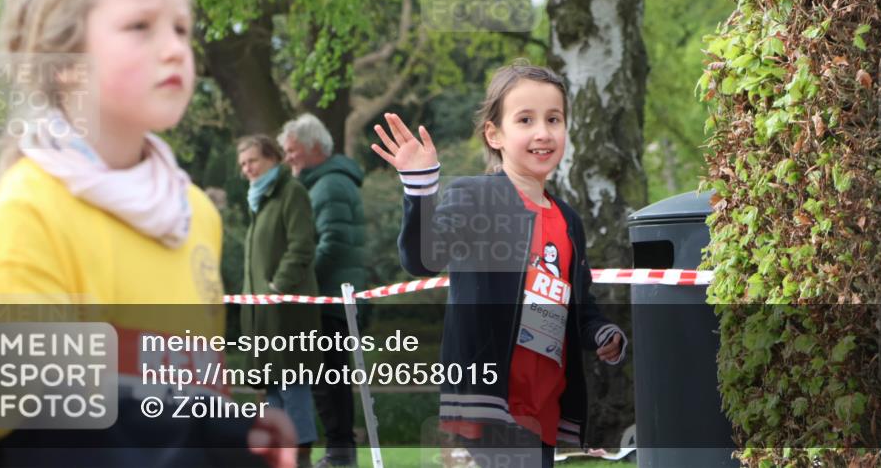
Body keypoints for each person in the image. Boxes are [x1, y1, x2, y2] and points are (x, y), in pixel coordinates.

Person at [0, 0, 295, 468]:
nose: (173, 49)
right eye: (140, 27)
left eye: (182, 29)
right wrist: (218, 445)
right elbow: (47, 438)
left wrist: (240, 430)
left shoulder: (195, 212)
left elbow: (195, 393)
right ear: (63, 62)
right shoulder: (28, 213)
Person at [371, 62, 627, 468]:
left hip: (546, 407)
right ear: (495, 134)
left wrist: (601, 334)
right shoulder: (476, 197)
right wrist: (420, 187)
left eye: (554, 119)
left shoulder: (569, 220)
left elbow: (579, 308)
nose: (542, 132)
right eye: (525, 119)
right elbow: (422, 260)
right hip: (489, 404)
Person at [279, 114, 367, 468]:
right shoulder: (324, 183)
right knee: (329, 377)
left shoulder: (328, 186)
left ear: (315, 148)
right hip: (333, 295)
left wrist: (300, 282)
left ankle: (339, 451)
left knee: (328, 378)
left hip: (329, 297)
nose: (288, 158)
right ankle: (339, 450)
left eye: (293, 151)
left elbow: (332, 245)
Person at [238, 135, 323, 468]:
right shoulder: (259, 200)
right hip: (261, 316)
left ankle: (301, 458)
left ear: (273, 158)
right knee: (270, 392)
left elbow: (302, 246)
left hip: (287, 313)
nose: (247, 169)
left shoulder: (291, 193)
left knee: (293, 387)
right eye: (243, 164)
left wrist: (277, 287)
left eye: (253, 161)